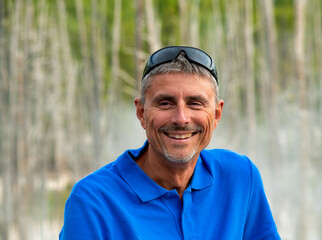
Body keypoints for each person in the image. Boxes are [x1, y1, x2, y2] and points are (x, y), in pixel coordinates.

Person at [59, 46, 281, 240]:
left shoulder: (241, 177)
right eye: (165, 103)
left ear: (216, 114)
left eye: (195, 103)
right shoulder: (92, 202)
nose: (181, 118)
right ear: (142, 112)